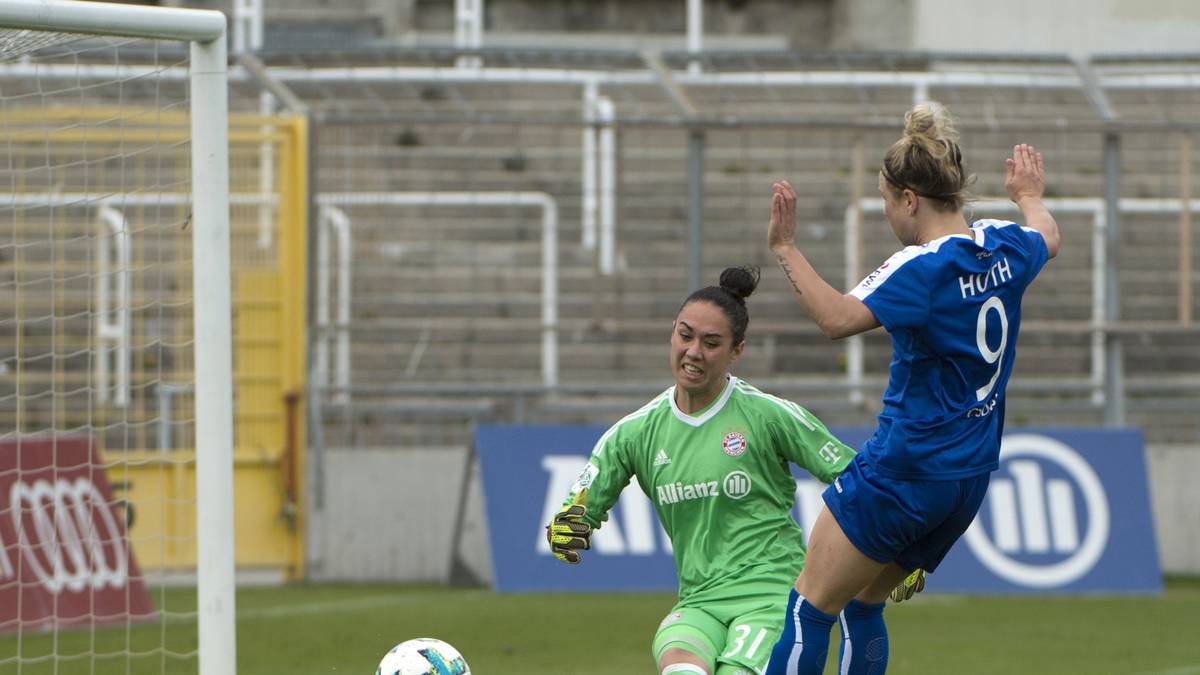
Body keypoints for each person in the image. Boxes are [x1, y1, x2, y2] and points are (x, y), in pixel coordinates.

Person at [761, 102, 1060, 675]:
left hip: (905, 471)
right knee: (863, 605)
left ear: (909, 200)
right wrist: (1028, 195)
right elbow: (1048, 235)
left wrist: (785, 249)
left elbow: (837, 319)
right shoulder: (1006, 244)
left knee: (809, 607)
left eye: (884, 201)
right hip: (966, 481)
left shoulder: (919, 268)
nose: (887, 214)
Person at [546, 265, 858, 675]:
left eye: (711, 343)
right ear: (671, 333)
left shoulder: (767, 414)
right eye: (685, 335)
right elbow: (576, 510)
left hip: (771, 599)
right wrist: (566, 529)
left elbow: (860, 477)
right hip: (698, 603)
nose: (693, 351)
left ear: (736, 352)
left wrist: (901, 547)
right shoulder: (634, 433)